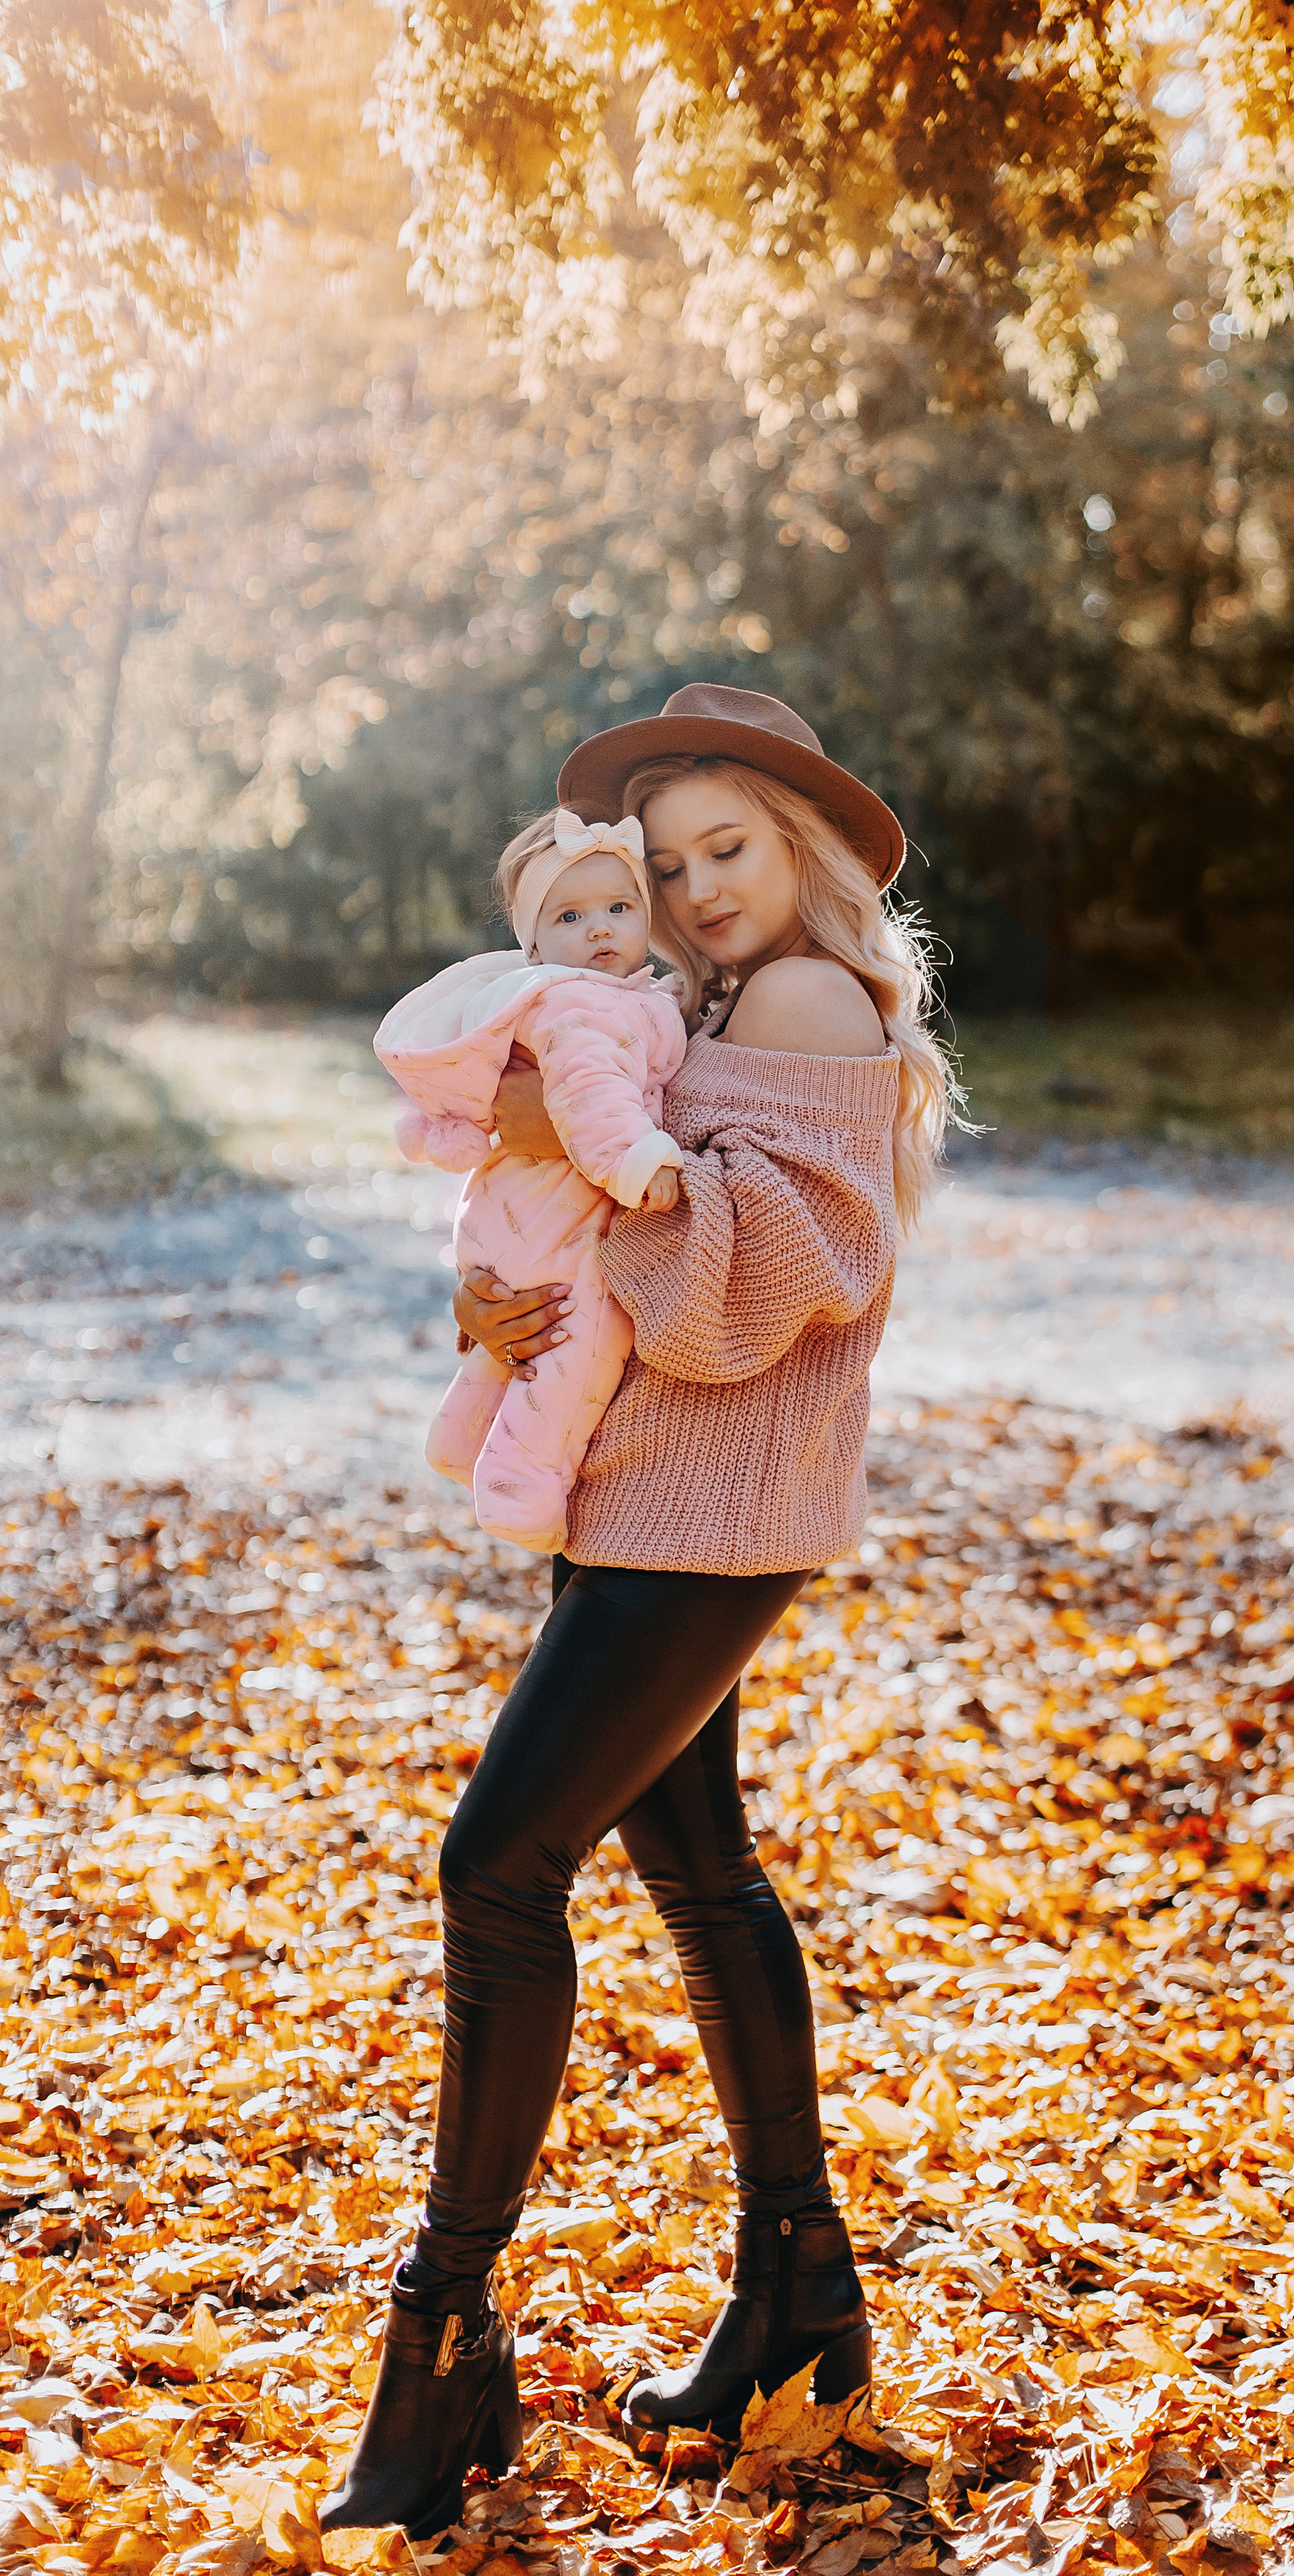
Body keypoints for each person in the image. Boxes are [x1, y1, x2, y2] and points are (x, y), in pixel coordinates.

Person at [323, 684, 959, 2540]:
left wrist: (557, 1152)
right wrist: (505, 1273)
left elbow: (745, 1283)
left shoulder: (806, 999)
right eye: (669, 866)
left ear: (805, 847)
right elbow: (601, 1220)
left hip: (710, 1514)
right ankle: (799, 2301)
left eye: (728, 850)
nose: (696, 891)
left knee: (495, 1863)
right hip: (660, 1494)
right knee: (697, 1868)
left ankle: (443, 2334)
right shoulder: (716, 1006)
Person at [374, 812, 685, 1554]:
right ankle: (523, 1489)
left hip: (512, 1211)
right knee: (578, 1344)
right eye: (570, 916)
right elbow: (590, 1097)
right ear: (534, 944)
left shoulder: (606, 996)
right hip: (559, 1215)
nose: (600, 928)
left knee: (519, 1337)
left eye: (619, 907)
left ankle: (460, 1438)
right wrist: (641, 1164)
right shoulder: (580, 1003)